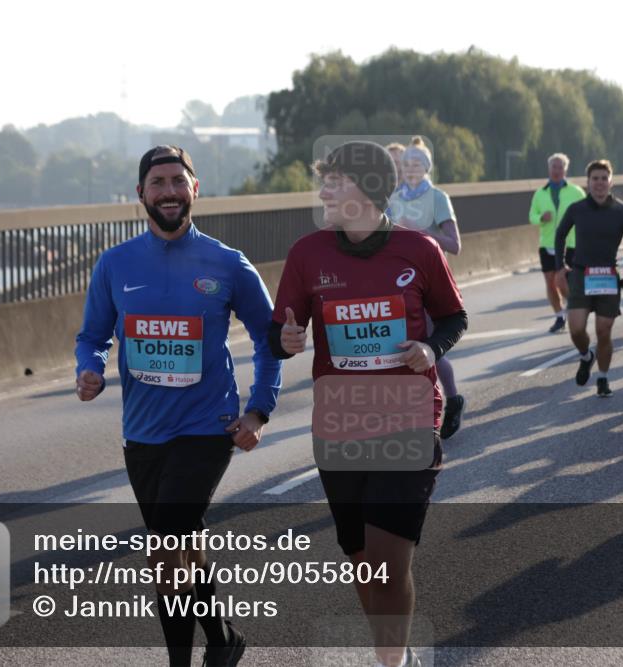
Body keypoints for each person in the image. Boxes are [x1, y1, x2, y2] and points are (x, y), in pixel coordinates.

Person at [75, 145, 282, 667]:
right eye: (157, 182)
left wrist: (258, 410)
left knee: (166, 550)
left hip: (207, 427)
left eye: (177, 181)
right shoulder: (116, 264)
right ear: (140, 194)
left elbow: (269, 338)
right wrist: (91, 367)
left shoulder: (228, 264)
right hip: (142, 433)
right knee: (181, 547)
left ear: (195, 189)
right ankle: (222, 638)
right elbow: (93, 334)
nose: (168, 191)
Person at [270, 140, 467, 667]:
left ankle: (391, 662)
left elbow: (454, 317)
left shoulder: (419, 249)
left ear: (370, 188)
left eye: (336, 179)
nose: (325, 188)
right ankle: (396, 653)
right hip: (340, 422)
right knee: (361, 561)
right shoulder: (307, 253)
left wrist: (431, 347)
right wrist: (284, 342)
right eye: (325, 178)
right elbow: (279, 332)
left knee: (387, 560)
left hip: (407, 416)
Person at [387, 136, 466, 438]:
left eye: (416, 163)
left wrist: (419, 232)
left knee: (428, 345)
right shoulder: (393, 199)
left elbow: (455, 245)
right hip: (397, 283)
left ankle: (452, 399)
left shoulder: (438, 198)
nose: (410, 168)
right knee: (400, 348)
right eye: (406, 163)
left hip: (431, 282)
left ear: (426, 167)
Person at [553, 159, 623, 397]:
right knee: (576, 329)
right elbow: (560, 234)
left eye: (604, 178)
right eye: (595, 179)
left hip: (608, 278)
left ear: (611, 181)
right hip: (581, 274)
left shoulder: (622, 211)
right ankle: (586, 356)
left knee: (604, 331)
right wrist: (560, 267)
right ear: (588, 182)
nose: (600, 183)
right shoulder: (577, 209)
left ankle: (603, 378)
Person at [528, 153, 585, 333]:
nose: (557, 170)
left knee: (562, 281)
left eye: (560, 167)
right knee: (550, 282)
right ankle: (559, 316)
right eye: (554, 167)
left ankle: (573, 305)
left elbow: (586, 213)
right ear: (549, 168)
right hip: (547, 243)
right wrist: (540, 218)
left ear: (565, 169)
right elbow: (531, 216)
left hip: (570, 243)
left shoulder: (576, 192)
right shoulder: (540, 193)